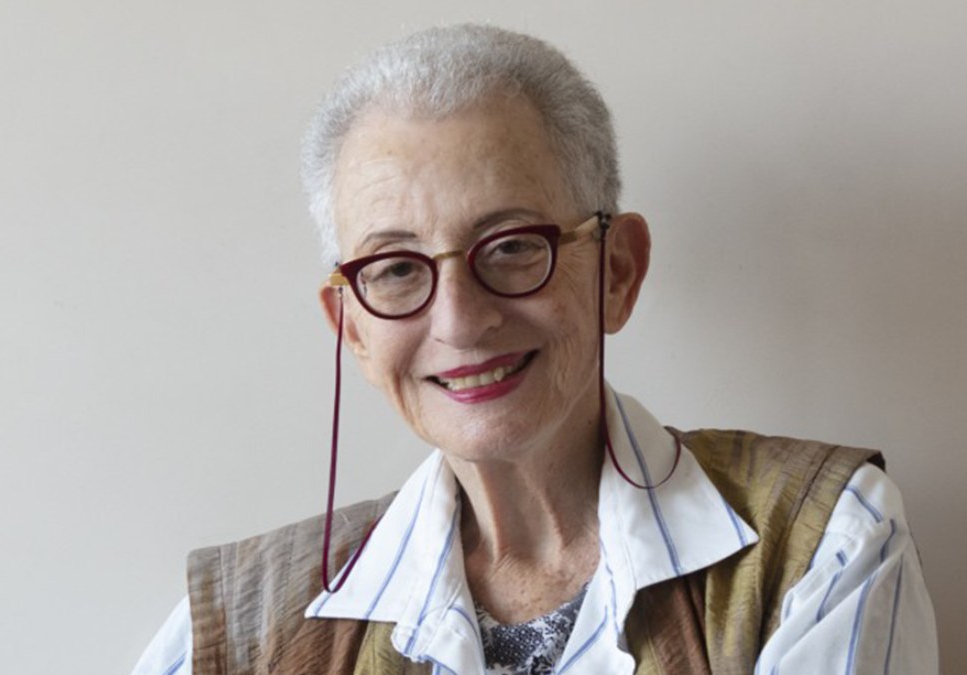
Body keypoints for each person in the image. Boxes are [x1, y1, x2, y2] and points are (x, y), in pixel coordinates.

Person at [133, 24, 937, 674]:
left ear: (616, 271)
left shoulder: (825, 543)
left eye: (513, 246)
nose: (460, 320)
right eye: (396, 268)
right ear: (352, 328)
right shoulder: (244, 624)